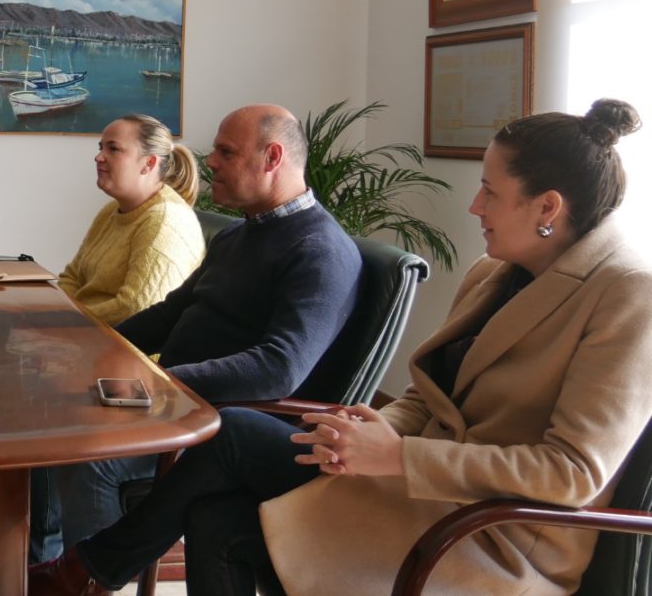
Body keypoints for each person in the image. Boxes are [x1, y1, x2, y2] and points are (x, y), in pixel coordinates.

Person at [32, 99, 652, 596]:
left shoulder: (629, 296)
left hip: (495, 534)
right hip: (422, 484)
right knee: (215, 514)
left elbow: (572, 474)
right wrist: (374, 424)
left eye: (489, 190)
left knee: (234, 434)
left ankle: (84, 573)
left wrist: (400, 455)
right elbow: (430, 396)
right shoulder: (495, 273)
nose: (474, 204)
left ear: (547, 207)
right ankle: (84, 572)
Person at [37, 104, 362, 563]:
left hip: (227, 422)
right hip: (179, 401)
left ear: (272, 158)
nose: (210, 161)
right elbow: (171, 313)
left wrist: (162, 383)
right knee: (52, 410)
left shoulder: (320, 251)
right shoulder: (236, 236)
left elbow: (279, 368)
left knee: (91, 456)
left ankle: (83, 578)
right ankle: (43, 563)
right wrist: (91, 348)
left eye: (226, 152)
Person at [58, 114, 205, 327]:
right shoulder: (112, 210)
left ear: (149, 163)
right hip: (84, 331)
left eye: (113, 149)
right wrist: (56, 312)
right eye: (101, 148)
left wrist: (63, 319)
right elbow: (72, 276)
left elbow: (135, 308)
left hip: (129, 351)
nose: (99, 157)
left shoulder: (166, 221)